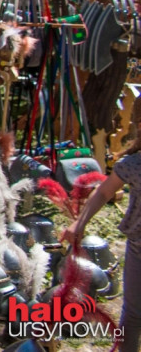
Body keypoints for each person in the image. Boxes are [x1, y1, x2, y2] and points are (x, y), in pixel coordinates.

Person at [62, 144, 141, 351]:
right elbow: (104, 192)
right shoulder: (134, 164)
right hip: (139, 251)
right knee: (133, 314)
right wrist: (80, 222)